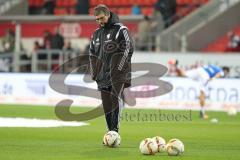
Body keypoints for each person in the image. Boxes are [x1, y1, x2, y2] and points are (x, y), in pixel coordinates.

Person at [89, 4, 134, 135]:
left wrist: (120, 68)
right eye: (96, 19)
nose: (99, 21)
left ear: (108, 15)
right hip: (102, 75)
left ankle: (115, 131)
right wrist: (94, 72)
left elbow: (128, 49)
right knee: (106, 105)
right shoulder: (96, 34)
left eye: (101, 18)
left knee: (116, 99)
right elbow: (92, 54)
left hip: (118, 73)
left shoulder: (121, 29)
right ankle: (110, 132)